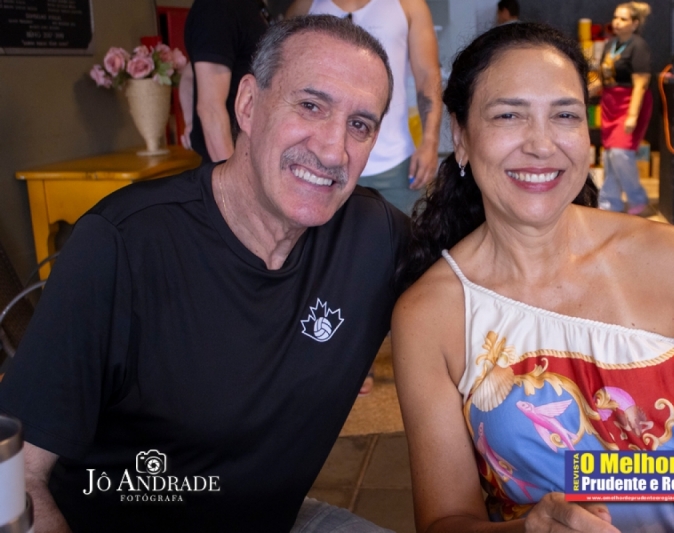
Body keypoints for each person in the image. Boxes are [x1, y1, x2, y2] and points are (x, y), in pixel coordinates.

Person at [0, 16, 407, 533]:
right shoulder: (122, 243)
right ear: (248, 105)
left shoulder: (376, 236)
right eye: (310, 105)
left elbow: (479, 278)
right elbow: (15, 476)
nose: (333, 149)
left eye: (360, 125)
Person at [392, 22, 674, 533]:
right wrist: (528, 530)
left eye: (564, 115)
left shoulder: (664, 255)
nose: (541, 144)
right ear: (461, 136)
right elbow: (446, 520)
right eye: (509, 115)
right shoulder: (431, 314)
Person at [286, 0, 443, 216]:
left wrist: (430, 143)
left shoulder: (409, 4)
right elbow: (283, 75)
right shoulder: (307, 5)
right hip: (319, 157)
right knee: (318, 236)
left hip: (393, 163)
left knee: (407, 235)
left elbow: (428, 77)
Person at [182, 0, 269, 163]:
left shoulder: (254, 8)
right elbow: (210, 108)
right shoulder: (217, 7)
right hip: (234, 161)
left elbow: (188, 75)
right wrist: (231, 173)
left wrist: (190, 124)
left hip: (256, 159)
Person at [593, 1, 653, 215]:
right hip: (610, 103)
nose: (617, 22)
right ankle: (609, 202)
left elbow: (640, 84)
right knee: (610, 155)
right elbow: (604, 79)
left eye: (623, 19)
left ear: (635, 24)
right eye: (615, 17)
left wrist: (632, 115)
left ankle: (637, 198)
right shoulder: (610, 44)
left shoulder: (638, 46)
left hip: (630, 103)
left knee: (620, 152)